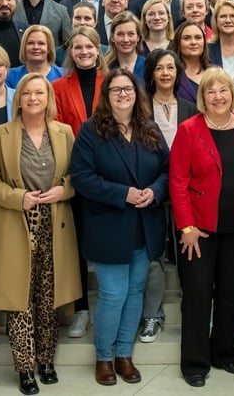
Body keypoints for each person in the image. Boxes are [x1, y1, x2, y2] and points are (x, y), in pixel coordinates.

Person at [0, 73, 81, 394]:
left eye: (40, 92)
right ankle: (25, 368)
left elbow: (77, 176)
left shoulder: (64, 133)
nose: (34, 98)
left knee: (49, 296)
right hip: (15, 222)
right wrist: (17, 198)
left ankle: (46, 359)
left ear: (48, 98)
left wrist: (62, 191)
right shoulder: (1, 134)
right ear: (18, 98)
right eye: (27, 93)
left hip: (54, 222)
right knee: (19, 297)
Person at [71, 68, 169, 386]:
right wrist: (123, 193)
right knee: (114, 295)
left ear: (136, 93)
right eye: (116, 90)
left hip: (144, 224)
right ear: (106, 95)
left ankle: (124, 355)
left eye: (128, 89)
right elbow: (82, 178)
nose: (123, 95)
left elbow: (168, 170)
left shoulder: (150, 129)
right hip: (108, 226)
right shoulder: (91, 131)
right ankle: (103, 357)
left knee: (135, 292)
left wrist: (154, 191)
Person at [169, 69, 234, 387]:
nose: (218, 96)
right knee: (197, 295)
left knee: (231, 294)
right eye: (211, 92)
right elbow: (178, 182)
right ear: (202, 97)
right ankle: (195, 362)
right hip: (199, 231)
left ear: (232, 94)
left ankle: (225, 354)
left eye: (224, 90)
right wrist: (186, 227)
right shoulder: (188, 129)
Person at [138, 50, 199, 345]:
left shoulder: (190, 108)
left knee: (191, 253)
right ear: (150, 74)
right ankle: (152, 316)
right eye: (159, 68)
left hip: (186, 193)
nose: (165, 73)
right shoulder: (141, 109)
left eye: (170, 68)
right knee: (154, 257)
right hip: (152, 190)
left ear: (178, 73)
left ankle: (196, 313)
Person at [51, 26, 106, 339]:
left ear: (98, 49)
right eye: (77, 48)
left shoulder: (110, 83)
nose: (83, 52)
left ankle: (111, 306)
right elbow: (58, 130)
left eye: (89, 47)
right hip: (74, 174)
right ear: (70, 52)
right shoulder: (58, 86)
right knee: (77, 246)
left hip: (109, 173)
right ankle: (81, 310)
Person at [6, 25, 65, 89]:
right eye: (30, 43)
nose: (35, 47)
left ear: (49, 48)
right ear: (24, 47)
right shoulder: (10, 76)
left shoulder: (64, 74)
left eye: (41, 43)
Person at [170, 21, 213, 103]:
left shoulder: (216, 71)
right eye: (186, 38)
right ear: (178, 42)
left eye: (198, 37)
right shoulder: (171, 74)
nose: (193, 42)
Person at [207, 0, 234, 77]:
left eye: (233, 16)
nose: (228, 20)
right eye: (223, 16)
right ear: (216, 21)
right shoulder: (207, 50)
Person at [103, 12, 147, 80]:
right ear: (112, 37)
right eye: (120, 34)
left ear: (138, 37)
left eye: (131, 34)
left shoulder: (148, 66)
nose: (126, 40)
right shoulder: (105, 67)